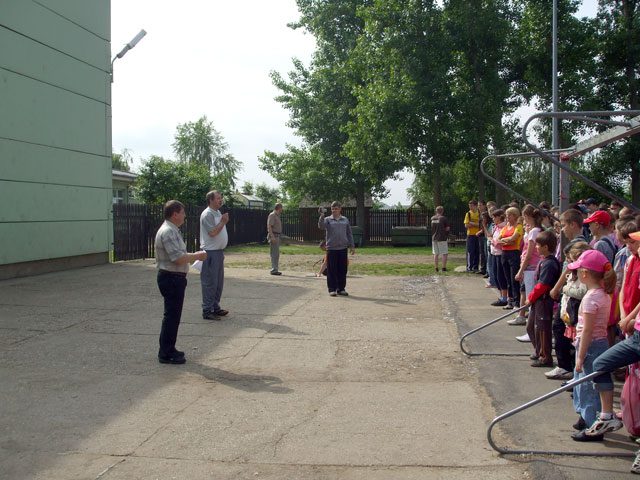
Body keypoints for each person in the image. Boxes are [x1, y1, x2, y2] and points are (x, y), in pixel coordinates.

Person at [565, 250, 617, 442]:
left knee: (587, 386)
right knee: (581, 383)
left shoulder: (591, 298)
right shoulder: (602, 294)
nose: (576, 274)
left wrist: (580, 356)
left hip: (590, 345)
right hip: (598, 343)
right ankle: (584, 415)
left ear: (585, 274)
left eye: (578, 271)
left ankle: (591, 424)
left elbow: (587, 330)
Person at [155, 200, 207, 364]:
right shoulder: (168, 232)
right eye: (183, 212)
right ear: (175, 214)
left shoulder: (172, 230)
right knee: (171, 316)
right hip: (171, 278)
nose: (185, 215)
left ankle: (169, 348)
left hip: (174, 278)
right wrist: (197, 256)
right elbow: (177, 257)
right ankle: (166, 352)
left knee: (173, 316)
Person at [549, 209, 588, 377]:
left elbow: (568, 270)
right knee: (561, 327)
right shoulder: (577, 243)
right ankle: (566, 366)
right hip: (569, 292)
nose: (562, 229)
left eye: (564, 225)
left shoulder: (577, 246)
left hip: (571, 293)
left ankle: (566, 366)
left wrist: (557, 287)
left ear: (573, 224)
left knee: (561, 328)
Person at [524, 229, 561, 367]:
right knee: (531, 327)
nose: (536, 247)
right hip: (537, 300)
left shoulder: (550, 263)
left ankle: (545, 356)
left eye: (538, 245)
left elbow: (543, 285)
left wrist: (530, 298)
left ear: (546, 247)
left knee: (542, 329)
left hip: (544, 300)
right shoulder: (543, 260)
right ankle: (538, 350)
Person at [511, 205, 543, 326]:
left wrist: (520, 271)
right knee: (526, 294)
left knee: (531, 298)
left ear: (527, 217)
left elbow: (529, 255)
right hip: (531, 267)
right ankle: (530, 324)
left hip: (531, 268)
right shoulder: (536, 230)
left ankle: (533, 327)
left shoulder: (534, 232)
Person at [200, 190, 229, 321]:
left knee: (218, 283)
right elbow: (212, 233)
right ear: (211, 200)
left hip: (217, 252)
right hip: (210, 252)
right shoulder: (207, 214)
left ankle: (215, 307)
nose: (220, 200)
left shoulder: (217, 212)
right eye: (218, 198)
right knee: (210, 283)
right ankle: (207, 310)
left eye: (221, 198)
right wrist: (223, 221)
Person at [318, 201, 355, 296]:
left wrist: (352, 246)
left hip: (343, 248)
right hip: (331, 248)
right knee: (331, 270)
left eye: (336, 209)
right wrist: (321, 216)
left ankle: (341, 288)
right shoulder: (327, 220)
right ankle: (332, 289)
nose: (334, 210)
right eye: (332, 209)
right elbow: (321, 226)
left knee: (342, 269)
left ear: (340, 209)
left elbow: (349, 233)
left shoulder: (345, 220)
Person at [497, 206, 523, 310]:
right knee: (507, 278)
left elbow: (514, 238)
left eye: (510, 215)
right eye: (507, 215)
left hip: (514, 253)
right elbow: (498, 240)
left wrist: (505, 240)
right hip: (505, 253)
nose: (507, 217)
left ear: (515, 216)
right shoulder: (505, 228)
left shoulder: (518, 227)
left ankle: (517, 301)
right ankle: (510, 300)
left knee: (513, 278)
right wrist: (507, 241)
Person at [489, 209, 509, 306]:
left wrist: (493, 242)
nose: (493, 219)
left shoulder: (504, 227)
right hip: (494, 253)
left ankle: (504, 297)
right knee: (496, 275)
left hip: (500, 253)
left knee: (501, 276)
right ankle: (501, 296)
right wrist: (491, 239)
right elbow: (493, 237)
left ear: (498, 217)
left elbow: (501, 242)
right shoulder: (496, 227)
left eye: (494, 217)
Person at [431, 206, 450, 272]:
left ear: (436, 211)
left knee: (436, 253)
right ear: (442, 211)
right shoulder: (443, 218)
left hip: (434, 238)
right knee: (444, 253)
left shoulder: (432, 218)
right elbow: (447, 228)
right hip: (442, 237)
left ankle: (436, 268)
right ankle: (444, 268)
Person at [267, 203, 284, 275]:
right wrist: (272, 237)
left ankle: (275, 269)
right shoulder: (272, 215)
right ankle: (274, 270)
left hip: (277, 236)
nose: (282, 209)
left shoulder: (277, 215)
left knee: (276, 253)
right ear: (279, 208)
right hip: (274, 235)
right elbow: (269, 226)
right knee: (274, 253)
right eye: (281, 208)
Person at [464, 200, 481, 272]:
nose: (470, 207)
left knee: (477, 251)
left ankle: (476, 267)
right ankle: (469, 267)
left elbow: (480, 224)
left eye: (471, 206)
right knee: (470, 251)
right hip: (470, 234)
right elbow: (466, 225)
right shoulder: (468, 214)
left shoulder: (479, 213)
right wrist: (475, 224)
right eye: (469, 206)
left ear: (475, 206)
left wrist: (471, 223)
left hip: (478, 234)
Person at [477, 200, 488, 276]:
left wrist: (481, 231)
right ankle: (482, 268)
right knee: (482, 252)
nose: (479, 207)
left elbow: (485, 224)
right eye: (478, 205)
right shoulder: (479, 214)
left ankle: (485, 269)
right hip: (480, 235)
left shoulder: (486, 214)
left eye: (480, 205)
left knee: (484, 252)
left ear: (484, 206)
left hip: (484, 234)